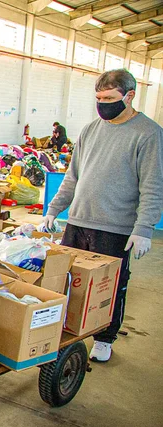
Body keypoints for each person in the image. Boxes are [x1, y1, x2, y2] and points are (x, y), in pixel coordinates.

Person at [45, 69, 163, 363]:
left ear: (130, 96)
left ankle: (104, 338)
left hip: (115, 228)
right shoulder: (90, 130)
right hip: (77, 222)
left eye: (109, 98)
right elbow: (73, 177)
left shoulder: (148, 134)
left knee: (109, 287)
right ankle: (64, 331)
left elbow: (152, 185)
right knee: (68, 281)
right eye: (98, 98)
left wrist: (143, 228)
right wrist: (53, 210)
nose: (102, 104)